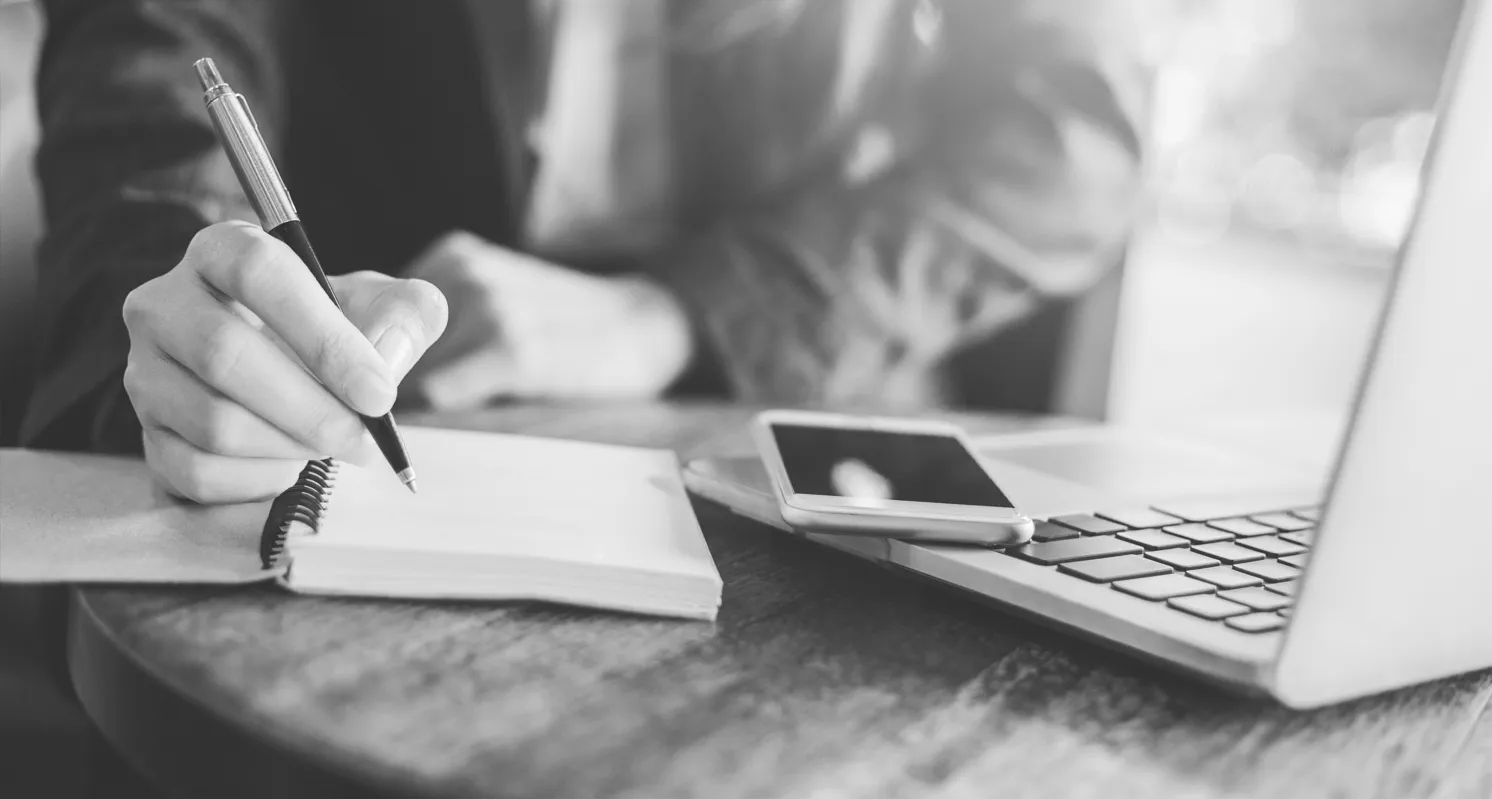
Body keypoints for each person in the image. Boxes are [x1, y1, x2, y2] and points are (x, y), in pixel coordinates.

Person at [20, 0, 1145, 503]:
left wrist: (677, 312)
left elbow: (1075, 140)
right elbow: (155, 55)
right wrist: (188, 286)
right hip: (371, 386)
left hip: (787, 395)